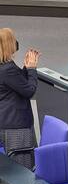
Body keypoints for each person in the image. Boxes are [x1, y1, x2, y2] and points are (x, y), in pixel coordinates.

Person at [0, 28, 40, 169]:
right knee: (22, 172)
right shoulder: (7, 69)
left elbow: (16, 84)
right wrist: (32, 69)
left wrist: (25, 68)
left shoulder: (5, 66)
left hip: (6, 123)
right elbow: (29, 90)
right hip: (15, 128)